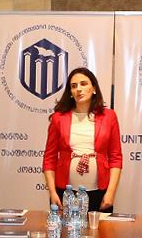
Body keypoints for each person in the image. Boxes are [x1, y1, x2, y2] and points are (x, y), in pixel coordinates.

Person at [42, 67, 122, 212]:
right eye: (74, 86)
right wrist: (52, 192)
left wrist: (110, 193)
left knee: (101, 228)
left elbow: (116, 157)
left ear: (94, 88)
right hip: (64, 193)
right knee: (64, 228)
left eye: (83, 84)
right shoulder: (58, 118)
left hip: (100, 193)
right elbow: (49, 158)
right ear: (70, 93)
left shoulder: (109, 116)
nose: (78, 89)